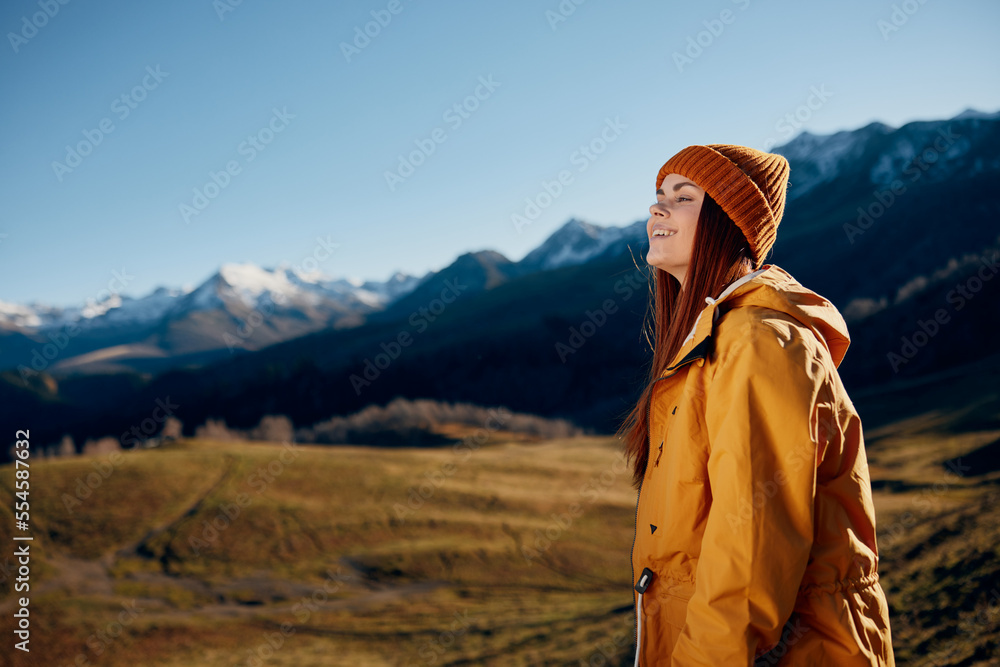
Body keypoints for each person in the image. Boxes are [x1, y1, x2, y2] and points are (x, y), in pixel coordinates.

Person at [616, 144, 895, 665]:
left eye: (682, 197)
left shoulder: (757, 342)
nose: (657, 208)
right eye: (658, 195)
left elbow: (750, 556)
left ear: (730, 222)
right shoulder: (716, 340)